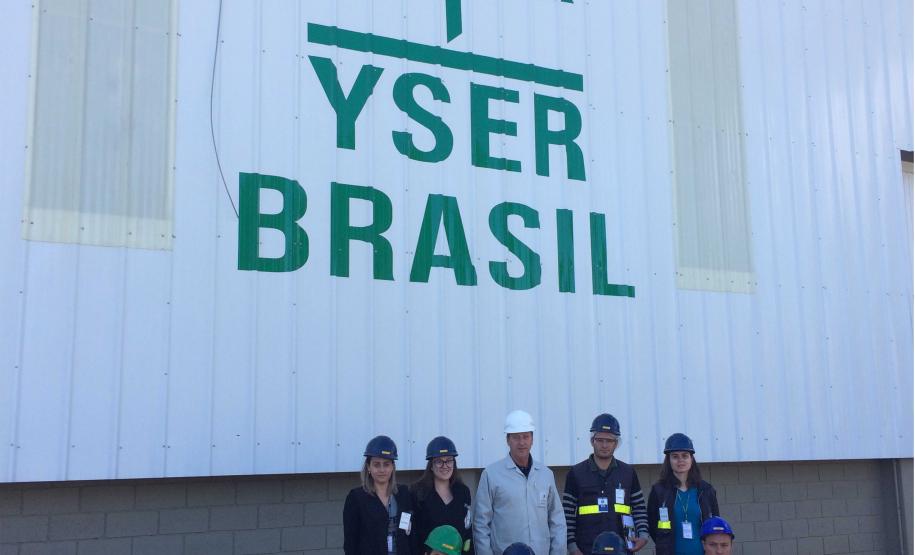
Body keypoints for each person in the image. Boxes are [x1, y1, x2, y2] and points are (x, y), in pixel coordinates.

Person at [473, 409, 566, 555]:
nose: (521, 442)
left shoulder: (546, 475)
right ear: (508, 440)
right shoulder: (491, 475)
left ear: (532, 439)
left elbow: (557, 520)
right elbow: (481, 524)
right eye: (516, 437)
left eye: (526, 436)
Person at [563, 413, 649, 554]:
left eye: (609, 440)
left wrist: (643, 536)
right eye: (600, 440)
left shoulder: (628, 473)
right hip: (587, 549)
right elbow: (567, 515)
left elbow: (639, 508)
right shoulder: (576, 473)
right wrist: (572, 547)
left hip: (622, 549)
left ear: (616, 443)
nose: (604, 445)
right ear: (592, 441)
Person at [647, 434, 720, 555]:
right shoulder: (659, 491)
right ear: (668, 460)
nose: (680, 460)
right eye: (675, 456)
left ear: (691, 459)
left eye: (685, 456)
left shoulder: (706, 490)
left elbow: (714, 523)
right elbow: (652, 525)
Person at [343, 435, 414, 555]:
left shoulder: (403, 493)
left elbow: (411, 534)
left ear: (392, 467)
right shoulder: (356, 498)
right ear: (368, 467)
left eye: (386, 464)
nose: (382, 470)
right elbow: (350, 542)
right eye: (376, 464)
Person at [411, 436, 473, 554]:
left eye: (449, 460)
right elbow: (413, 534)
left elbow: (467, 532)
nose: (445, 466)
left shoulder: (463, 492)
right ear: (431, 466)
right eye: (439, 461)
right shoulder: (418, 493)